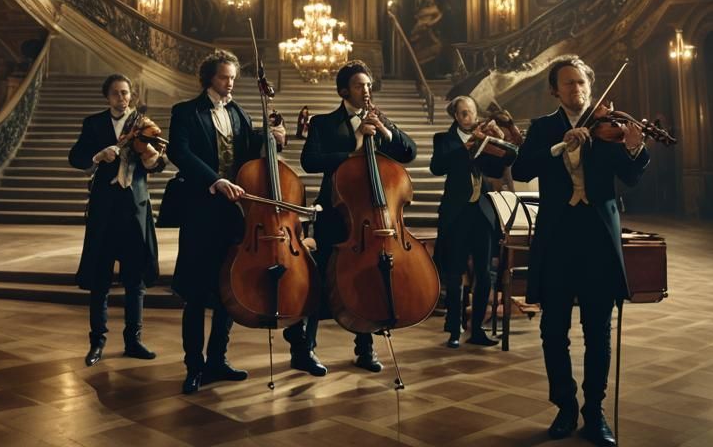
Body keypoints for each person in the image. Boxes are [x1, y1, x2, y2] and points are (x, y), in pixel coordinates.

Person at [511, 57, 649, 447]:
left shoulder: (609, 127)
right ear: (555, 90)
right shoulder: (543, 128)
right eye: (569, 83)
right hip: (556, 238)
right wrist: (558, 148)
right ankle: (565, 406)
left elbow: (630, 176)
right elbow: (521, 171)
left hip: (598, 239)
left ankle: (595, 411)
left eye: (582, 82)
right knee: (553, 330)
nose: (577, 89)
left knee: (598, 330)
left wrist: (635, 148)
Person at [285, 60, 418, 375]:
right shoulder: (323, 123)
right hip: (335, 212)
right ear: (344, 91)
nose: (366, 90)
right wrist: (354, 147)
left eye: (368, 85)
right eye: (359, 85)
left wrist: (384, 131)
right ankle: (304, 350)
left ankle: (365, 349)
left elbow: (409, 152)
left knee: (368, 280)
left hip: (371, 218)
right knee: (320, 279)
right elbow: (310, 161)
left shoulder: (379, 118)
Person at [168, 49, 287, 394]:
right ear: (209, 77)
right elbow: (179, 152)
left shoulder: (239, 113)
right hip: (200, 211)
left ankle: (217, 360)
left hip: (234, 216)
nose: (230, 83)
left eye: (233, 77)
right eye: (224, 77)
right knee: (195, 293)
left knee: (227, 288)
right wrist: (215, 180)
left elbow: (250, 157)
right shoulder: (186, 112)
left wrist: (273, 139)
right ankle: (194, 366)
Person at [68, 74, 162, 367]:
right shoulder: (93, 123)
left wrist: (150, 156)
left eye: (125, 93)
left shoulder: (143, 124)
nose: (122, 98)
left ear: (131, 95)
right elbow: (76, 157)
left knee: (135, 280)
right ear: (107, 96)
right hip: (105, 210)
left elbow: (158, 164)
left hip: (135, 208)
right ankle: (97, 341)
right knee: (100, 279)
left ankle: (134, 340)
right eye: (116, 94)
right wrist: (98, 156)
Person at [429, 95, 508, 349]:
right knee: (455, 273)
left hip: (482, 213)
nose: (469, 117)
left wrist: (499, 142)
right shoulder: (444, 139)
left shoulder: (485, 137)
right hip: (457, 214)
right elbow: (437, 167)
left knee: (484, 274)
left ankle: (477, 329)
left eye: (472, 112)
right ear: (456, 116)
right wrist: (466, 147)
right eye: (463, 113)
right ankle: (454, 328)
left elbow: (496, 170)